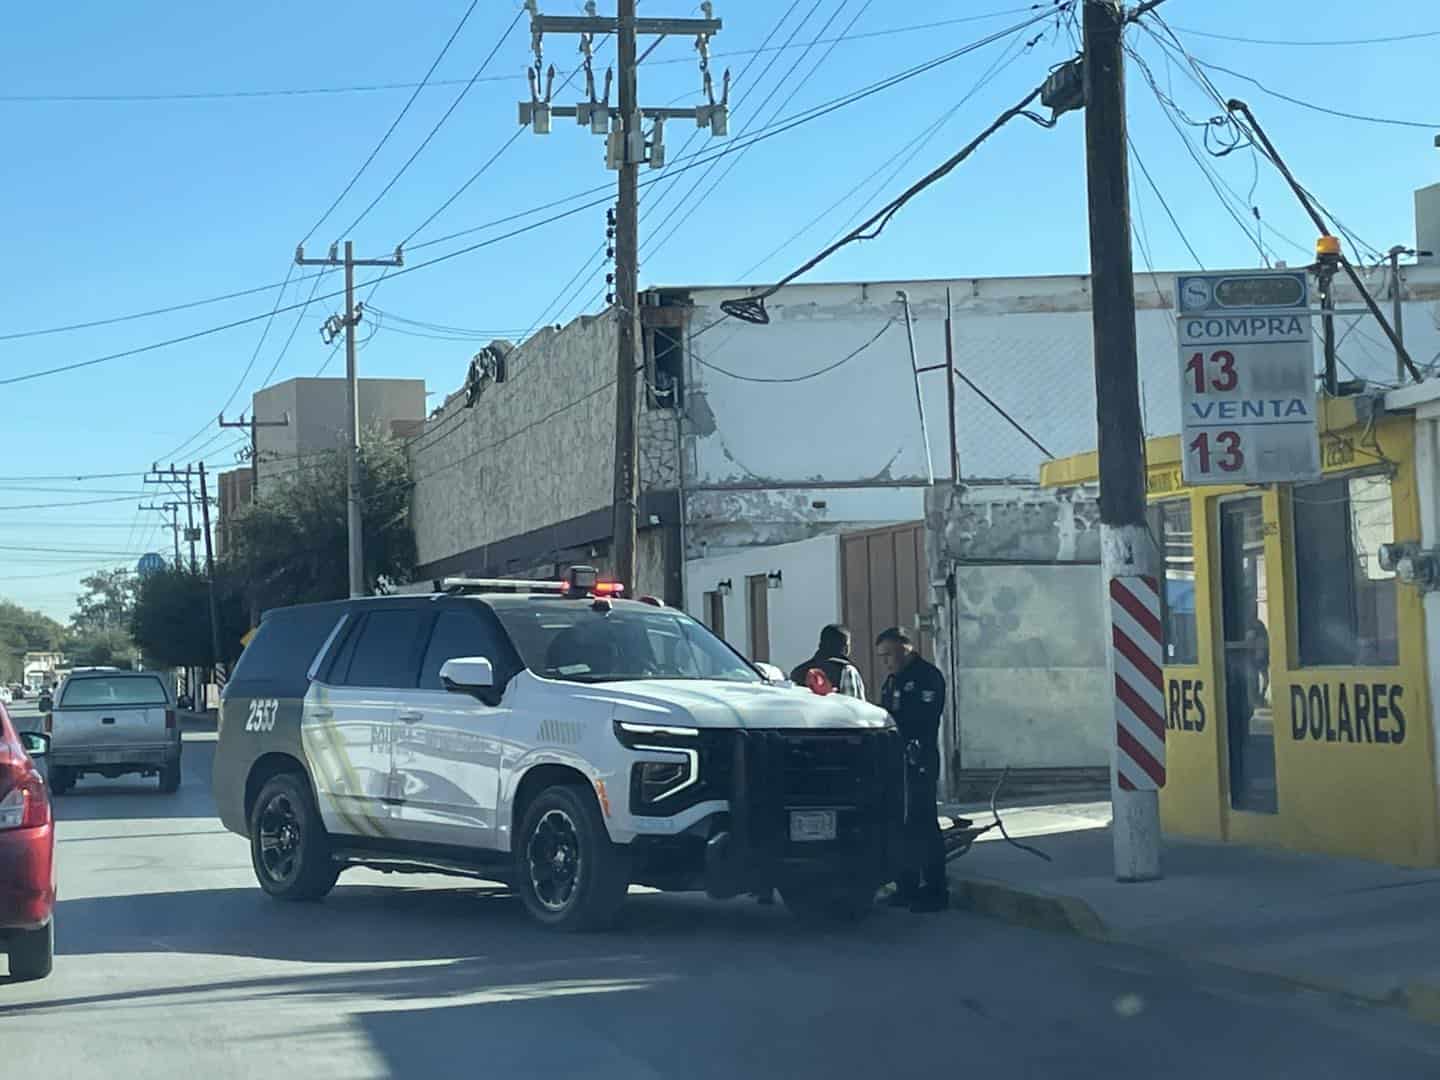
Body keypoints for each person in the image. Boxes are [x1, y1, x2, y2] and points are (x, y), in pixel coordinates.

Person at [876, 626, 948, 913]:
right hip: (897, 762)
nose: (886, 662)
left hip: (920, 760)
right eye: (882, 656)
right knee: (901, 826)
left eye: (890, 655)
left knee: (924, 825)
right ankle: (906, 887)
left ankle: (935, 891)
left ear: (906, 649)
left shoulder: (927, 677)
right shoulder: (893, 681)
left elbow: (923, 719)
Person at [790, 624, 866, 700]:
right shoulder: (847, 670)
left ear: (820, 644)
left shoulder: (798, 671)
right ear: (845, 648)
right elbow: (855, 704)